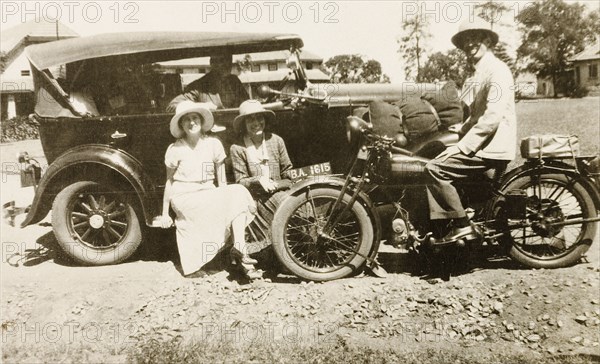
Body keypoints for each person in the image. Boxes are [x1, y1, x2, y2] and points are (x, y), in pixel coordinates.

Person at [425, 17, 517, 242]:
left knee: (434, 169)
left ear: (487, 40)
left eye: (475, 38)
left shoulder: (497, 71)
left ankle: (462, 225)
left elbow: (492, 117)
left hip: (492, 145)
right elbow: (476, 115)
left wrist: (463, 146)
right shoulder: (478, 72)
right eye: (466, 40)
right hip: (486, 142)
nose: (470, 44)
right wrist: (462, 128)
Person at [158, 100, 259, 279]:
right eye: (186, 119)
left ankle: (240, 247)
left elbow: (222, 181)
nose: (191, 122)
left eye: (195, 117)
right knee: (217, 204)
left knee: (238, 192)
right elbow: (169, 182)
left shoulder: (213, 144)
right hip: (184, 197)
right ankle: (202, 263)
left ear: (201, 121)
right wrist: (165, 213)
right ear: (181, 124)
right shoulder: (176, 149)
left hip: (207, 193)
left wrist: (226, 200)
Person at [229, 100, 293, 252]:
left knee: (299, 205)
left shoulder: (276, 140)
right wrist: (258, 180)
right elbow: (240, 181)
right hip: (255, 199)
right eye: (250, 119)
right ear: (243, 123)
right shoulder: (237, 148)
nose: (256, 123)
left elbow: (288, 173)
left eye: (259, 118)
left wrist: (277, 184)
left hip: (279, 193)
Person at [167, 54, 249, 112]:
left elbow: (247, 103)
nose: (227, 65)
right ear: (212, 63)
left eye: (228, 60)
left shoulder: (234, 81)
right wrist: (203, 106)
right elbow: (173, 105)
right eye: (222, 61)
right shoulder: (199, 85)